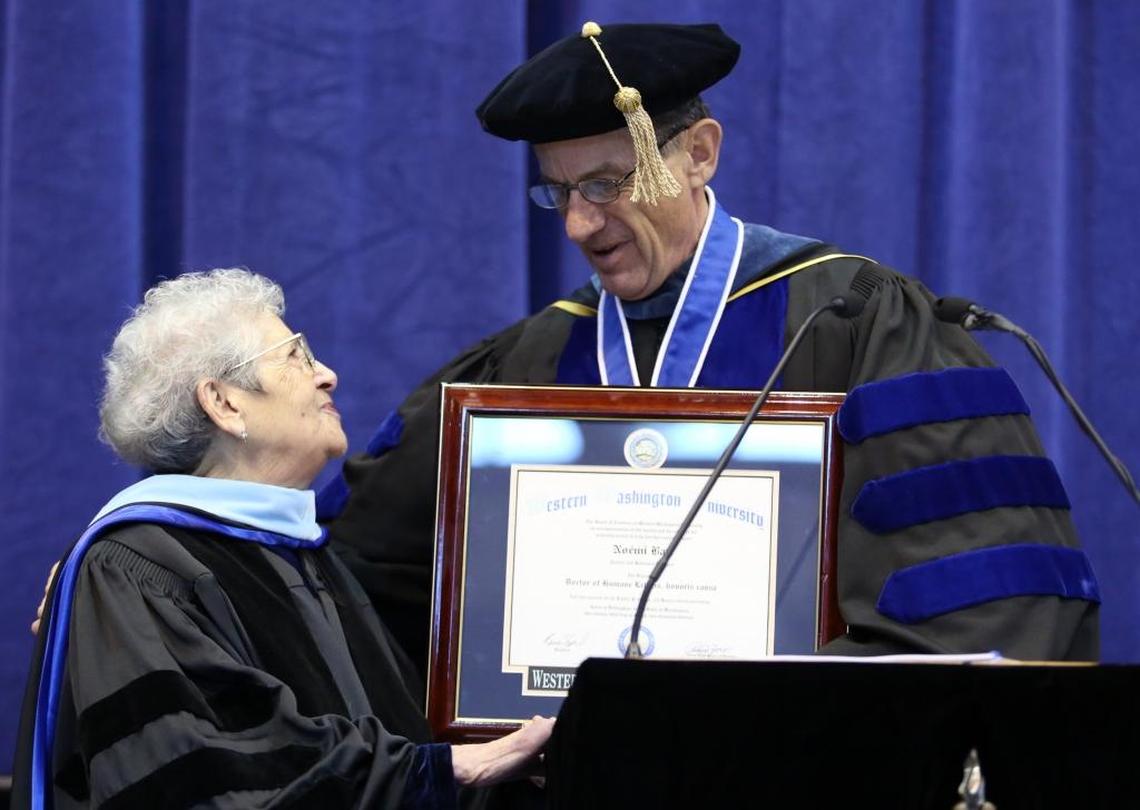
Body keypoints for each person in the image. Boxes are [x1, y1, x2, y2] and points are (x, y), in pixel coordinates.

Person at [323, 22, 1100, 677]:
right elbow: (363, 576)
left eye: (605, 185)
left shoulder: (856, 322)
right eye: (558, 192)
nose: (578, 227)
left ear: (699, 153)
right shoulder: (533, 357)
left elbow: (975, 593)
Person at [13, 269, 552, 809]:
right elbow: (204, 776)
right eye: (296, 357)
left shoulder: (305, 557)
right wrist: (443, 770)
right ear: (223, 403)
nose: (328, 375)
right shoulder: (136, 568)